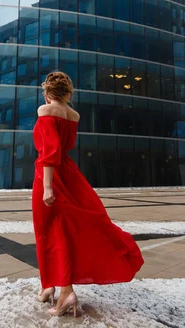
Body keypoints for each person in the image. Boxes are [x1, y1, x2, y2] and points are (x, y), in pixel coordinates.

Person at [32, 71, 144, 317]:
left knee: (48, 230)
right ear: (68, 93)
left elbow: (49, 151)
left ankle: (63, 291)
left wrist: (48, 185)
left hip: (50, 175)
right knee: (64, 229)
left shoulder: (46, 110)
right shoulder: (74, 115)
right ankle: (49, 286)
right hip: (69, 173)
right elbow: (62, 148)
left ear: (47, 93)